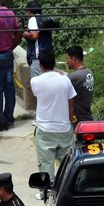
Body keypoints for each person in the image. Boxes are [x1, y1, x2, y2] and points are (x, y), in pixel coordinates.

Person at [29, 49, 77, 180]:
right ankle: (66, 188)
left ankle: (46, 192)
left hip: (45, 130)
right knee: (67, 164)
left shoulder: (35, 81)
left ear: (41, 65)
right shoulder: (65, 80)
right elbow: (71, 102)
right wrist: (70, 121)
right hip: (64, 128)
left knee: (46, 163)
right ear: (54, 63)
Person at [22, 0, 52, 81]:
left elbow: (34, 35)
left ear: (29, 12)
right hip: (48, 56)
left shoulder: (33, 19)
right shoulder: (45, 19)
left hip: (37, 57)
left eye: (26, 12)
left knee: (38, 84)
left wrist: (25, 34)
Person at [65, 45, 94, 123]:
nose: (67, 61)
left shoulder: (74, 77)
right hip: (88, 117)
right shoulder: (89, 72)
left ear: (73, 59)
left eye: (67, 58)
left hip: (78, 121)